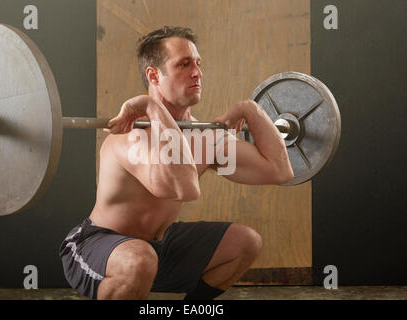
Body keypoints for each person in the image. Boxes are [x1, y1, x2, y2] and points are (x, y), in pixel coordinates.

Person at [59, 26, 293, 300]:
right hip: (99, 245)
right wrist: (152, 107)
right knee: (140, 259)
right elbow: (185, 188)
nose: (197, 72)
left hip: (157, 247)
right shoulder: (133, 137)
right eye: (184, 64)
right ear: (153, 75)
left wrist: (250, 110)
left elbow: (279, 170)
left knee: (246, 242)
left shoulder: (206, 138)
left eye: (198, 63)